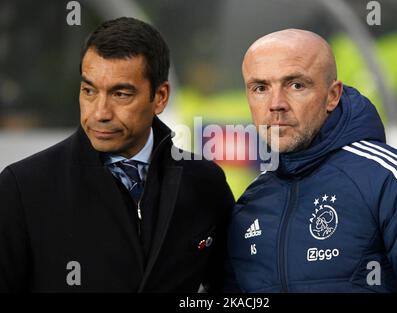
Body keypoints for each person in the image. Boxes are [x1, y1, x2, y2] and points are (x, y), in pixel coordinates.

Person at [0, 17, 234, 292]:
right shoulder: (22, 187)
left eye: (120, 94)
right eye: (89, 91)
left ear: (160, 97)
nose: (99, 113)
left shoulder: (204, 182)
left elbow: (230, 289)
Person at [225, 29, 397, 293]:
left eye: (296, 85)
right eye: (260, 88)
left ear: (333, 95)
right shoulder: (252, 203)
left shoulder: (393, 182)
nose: (276, 104)